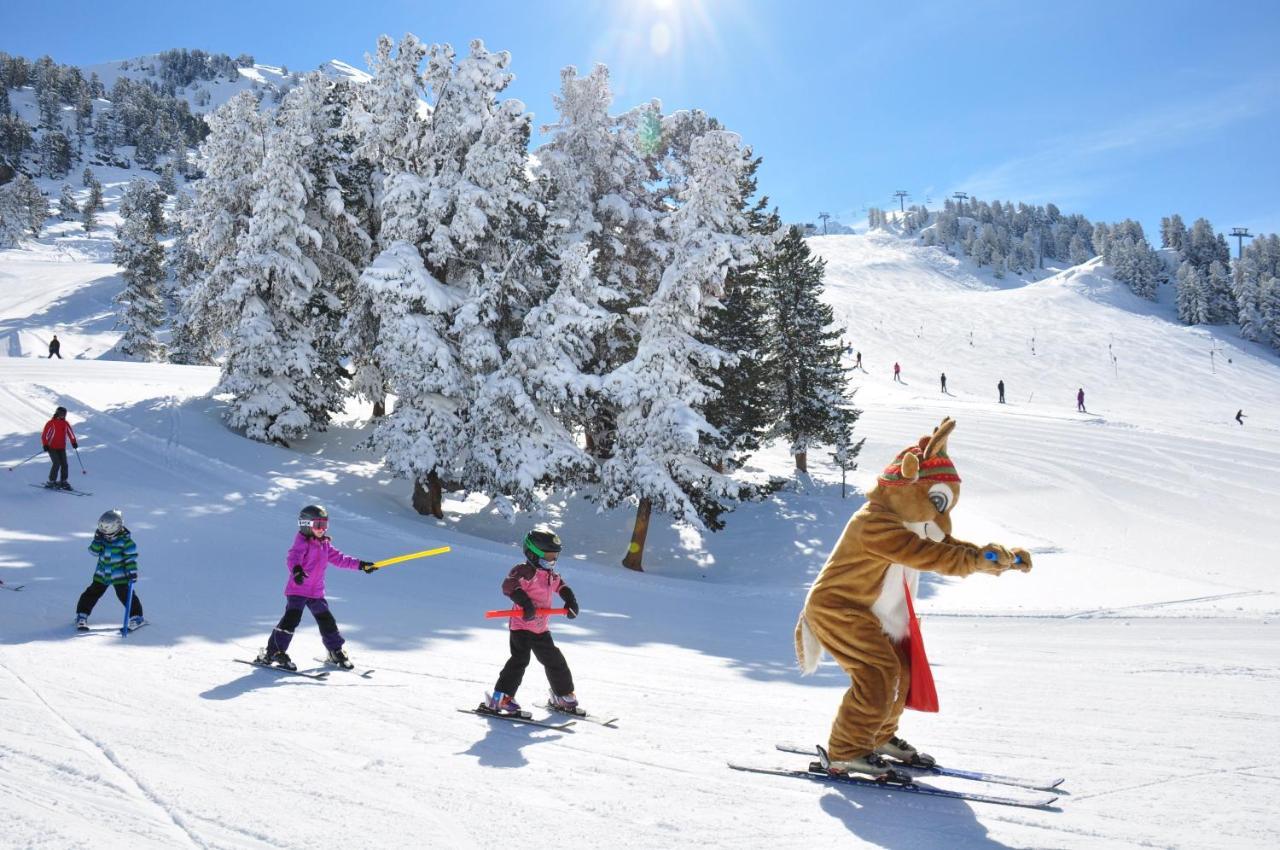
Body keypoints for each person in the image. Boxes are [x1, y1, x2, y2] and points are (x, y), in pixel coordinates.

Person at [795, 418, 1032, 777]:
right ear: (906, 486)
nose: (943, 520)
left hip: (865, 611)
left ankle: (877, 735)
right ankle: (845, 750)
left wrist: (995, 560)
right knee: (877, 672)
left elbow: (945, 546)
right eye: (937, 502)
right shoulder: (874, 523)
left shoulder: (910, 524)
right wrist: (974, 560)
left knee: (899, 671)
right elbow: (926, 554)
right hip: (838, 608)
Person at [255, 505, 375, 671]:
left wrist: (361, 565)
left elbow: (340, 559)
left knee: (327, 621)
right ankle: (274, 652)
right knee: (291, 620)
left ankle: (335, 650)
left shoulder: (324, 544)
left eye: (325, 525)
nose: (322, 529)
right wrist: (296, 571)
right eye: (318, 525)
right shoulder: (302, 542)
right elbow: (293, 558)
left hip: (316, 593)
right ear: (306, 524)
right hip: (298, 590)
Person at [482, 527, 583, 717]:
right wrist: (526, 603)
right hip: (521, 626)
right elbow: (509, 586)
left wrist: (571, 602)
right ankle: (501, 698)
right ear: (533, 553)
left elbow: (562, 587)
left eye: (555, 556)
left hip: (540, 628)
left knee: (555, 660)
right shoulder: (524, 571)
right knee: (520, 660)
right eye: (548, 556)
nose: (552, 560)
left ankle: (562, 695)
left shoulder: (550, 575)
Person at [76, 510, 143, 630]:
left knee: (127, 596)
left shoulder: (126, 542)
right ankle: (82, 615)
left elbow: (130, 559)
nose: (105, 535)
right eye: (103, 532)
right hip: (102, 575)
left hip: (120, 576)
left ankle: (136, 617)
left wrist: (132, 572)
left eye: (107, 532)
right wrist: (96, 540)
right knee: (91, 594)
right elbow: (93, 552)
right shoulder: (102, 540)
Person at [40, 406, 78, 490]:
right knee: (56, 463)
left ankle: (63, 481)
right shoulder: (51, 423)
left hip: (61, 447)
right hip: (51, 447)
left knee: (64, 464)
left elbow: (70, 433)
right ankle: (51, 481)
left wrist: (74, 442)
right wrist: (45, 444)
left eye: (64, 414)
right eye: (61, 414)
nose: (63, 416)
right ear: (57, 413)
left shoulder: (65, 423)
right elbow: (44, 435)